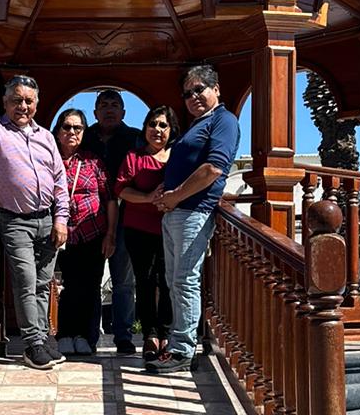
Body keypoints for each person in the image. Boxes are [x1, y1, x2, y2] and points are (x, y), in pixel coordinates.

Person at [0, 74, 69, 369]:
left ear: (36, 104)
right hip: (15, 220)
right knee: (26, 281)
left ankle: (42, 336)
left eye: (28, 101)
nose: (23, 106)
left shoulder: (46, 137)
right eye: (16, 100)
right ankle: (32, 344)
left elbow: (60, 180)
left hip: (47, 220)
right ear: (5, 102)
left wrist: (61, 218)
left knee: (43, 283)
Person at [151, 65, 241, 374]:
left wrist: (176, 196)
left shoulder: (224, 121)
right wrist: (166, 190)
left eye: (199, 89)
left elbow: (214, 168)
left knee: (185, 281)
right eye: (187, 93)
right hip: (175, 213)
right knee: (174, 282)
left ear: (216, 89)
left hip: (194, 213)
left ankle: (182, 351)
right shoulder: (196, 124)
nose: (193, 97)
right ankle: (178, 345)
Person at [115, 105, 179, 364]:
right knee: (145, 281)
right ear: (145, 128)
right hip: (138, 228)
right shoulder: (134, 157)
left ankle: (166, 334)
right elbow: (121, 190)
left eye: (163, 125)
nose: (157, 129)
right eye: (153, 124)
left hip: (172, 228)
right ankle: (150, 335)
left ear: (172, 130)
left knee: (168, 281)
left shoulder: (179, 157)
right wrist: (149, 197)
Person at [53, 108, 117, 357]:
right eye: (67, 127)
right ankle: (65, 334)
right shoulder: (48, 159)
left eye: (77, 128)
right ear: (58, 130)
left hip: (93, 232)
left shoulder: (93, 161)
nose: (72, 132)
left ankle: (85, 337)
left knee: (90, 285)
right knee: (67, 285)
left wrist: (110, 234)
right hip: (61, 234)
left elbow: (109, 199)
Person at [82, 88, 141, 354]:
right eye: (103, 105)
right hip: (89, 219)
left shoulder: (136, 138)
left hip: (128, 217)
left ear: (123, 112)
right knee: (90, 280)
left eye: (114, 105)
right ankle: (89, 335)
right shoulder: (84, 138)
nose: (109, 109)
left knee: (123, 281)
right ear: (95, 112)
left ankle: (124, 336)